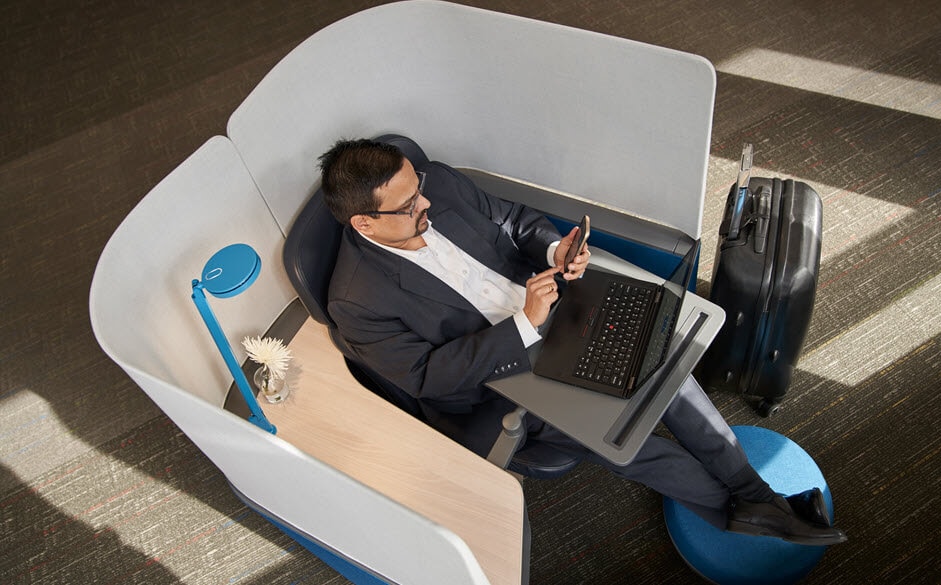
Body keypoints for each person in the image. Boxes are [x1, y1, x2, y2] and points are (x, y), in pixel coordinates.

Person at [319, 138, 847, 545]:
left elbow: (512, 220)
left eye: (420, 186)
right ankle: (742, 512)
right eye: (410, 203)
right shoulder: (356, 299)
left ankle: (757, 499)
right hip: (498, 380)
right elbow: (427, 378)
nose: (426, 200)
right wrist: (523, 323)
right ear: (366, 221)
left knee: (660, 359)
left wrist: (555, 250)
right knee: (623, 433)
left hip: (553, 306)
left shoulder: (441, 187)